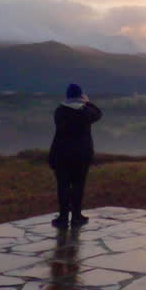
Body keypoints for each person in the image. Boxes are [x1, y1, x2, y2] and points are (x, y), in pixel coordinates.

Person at [48, 83, 102, 229]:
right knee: (78, 186)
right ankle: (77, 216)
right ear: (80, 96)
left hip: (61, 154)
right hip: (81, 155)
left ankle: (63, 217)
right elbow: (98, 113)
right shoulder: (85, 112)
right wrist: (88, 102)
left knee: (63, 187)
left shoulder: (59, 111)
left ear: (67, 96)